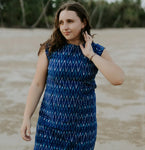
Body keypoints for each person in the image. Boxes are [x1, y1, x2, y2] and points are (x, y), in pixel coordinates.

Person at [20, 1, 125, 149]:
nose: (64, 27)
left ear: (83, 23)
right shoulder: (50, 49)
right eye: (61, 22)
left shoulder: (96, 50)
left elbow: (118, 79)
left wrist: (91, 55)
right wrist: (26, 117)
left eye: (70, 21)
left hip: (82, 130)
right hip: (49, 128)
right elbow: (37, 84)